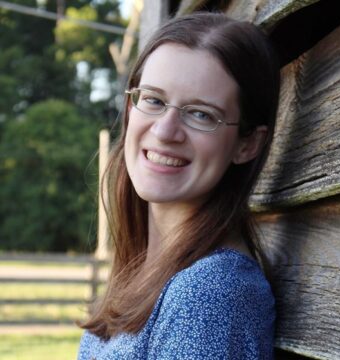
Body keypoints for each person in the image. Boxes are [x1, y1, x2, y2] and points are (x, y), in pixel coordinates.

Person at [78, 11, 280, 360]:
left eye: (201, 114)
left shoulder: (210, 293)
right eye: (154, 100)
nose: (165, 131)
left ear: (247, 144)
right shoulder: (152, 270)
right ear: (130, 108)